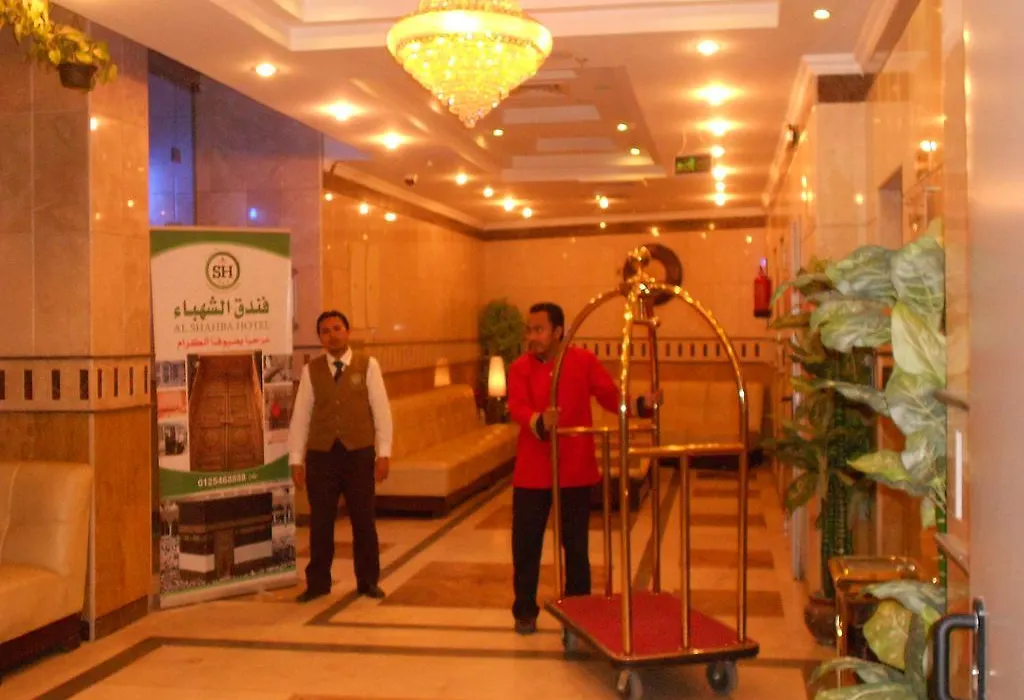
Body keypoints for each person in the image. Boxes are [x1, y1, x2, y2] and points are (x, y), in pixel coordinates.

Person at [507, 302, 660, 634]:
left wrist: (640, 404)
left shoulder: (583, 361)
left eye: (539, 329)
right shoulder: (519, 368)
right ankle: (525, 610)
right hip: (532, 473)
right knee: (526, 546)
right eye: (529, 330)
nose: (532, 336)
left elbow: (610, 397)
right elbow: (517, 406)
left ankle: (579, 613)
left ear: (558, 331)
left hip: (575, 471)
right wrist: (538, 421)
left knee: (576, 548)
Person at [288, 310, 393, 602]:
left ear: (348, 332)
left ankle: (368, 581)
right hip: (321, 457)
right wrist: (296, 459)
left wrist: (384, 453)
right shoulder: (311, 371)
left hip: (358, 454)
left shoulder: (368, 366)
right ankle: (318, 583)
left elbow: (381, 411)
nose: (332, 335)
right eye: (325, 331)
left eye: (337, 328)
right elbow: (301, 417)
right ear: (319, 338)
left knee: (363, 520)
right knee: (321, 522)